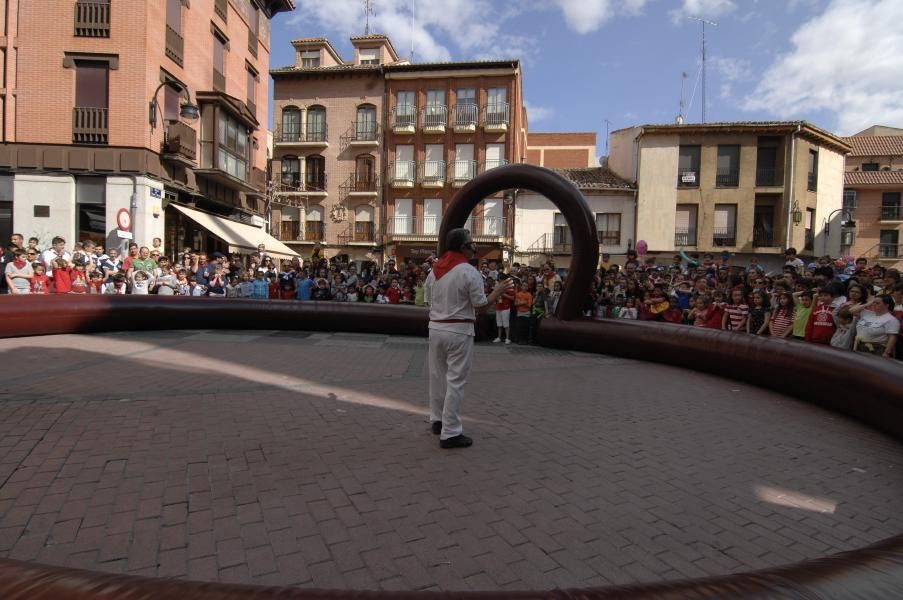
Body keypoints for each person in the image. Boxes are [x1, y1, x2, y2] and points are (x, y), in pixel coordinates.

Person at [424, 228, 513, 449]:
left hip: (435, 328)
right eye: (471, 242)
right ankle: (451, 432)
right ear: (463, 247)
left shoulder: (434, 270)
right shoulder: (468, 271)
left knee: (437, 376)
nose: (475, 246)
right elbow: (481, 306)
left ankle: (438, 421)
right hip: (459, 330)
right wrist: (498, 291)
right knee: (455, 381)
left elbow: (426, 299)